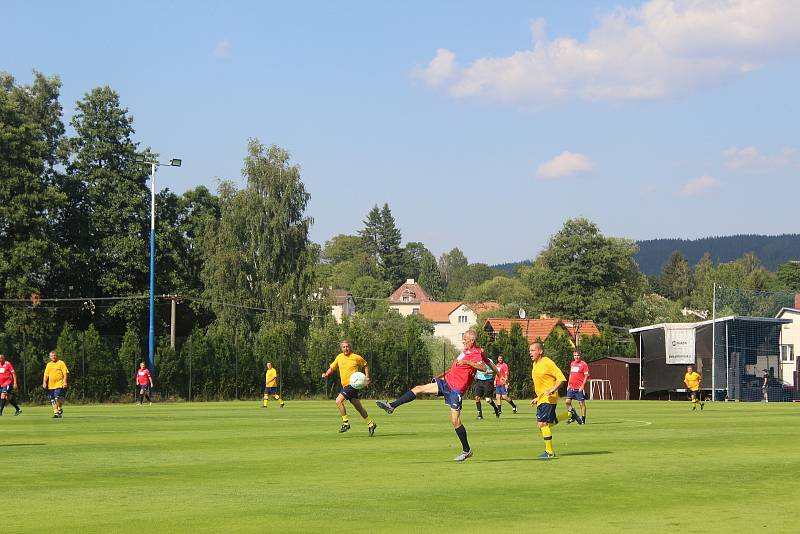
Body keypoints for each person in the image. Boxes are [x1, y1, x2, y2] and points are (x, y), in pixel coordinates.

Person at [376, 330, 492, 462]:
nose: (463, 341)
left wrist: (467, 362)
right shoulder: (465, 352)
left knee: (455, 421)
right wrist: (441, 376)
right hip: (446, 383)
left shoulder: (476, 353)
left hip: (456, 390)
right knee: (418, 388)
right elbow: (460, 368)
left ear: (472, 341)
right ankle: (391, 406)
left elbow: (483, 367)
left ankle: (467, 450)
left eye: (465, 339)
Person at [321, 341, 376, 436]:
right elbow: (332, 367)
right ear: (341, 348)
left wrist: (367, 377)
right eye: (344, 347)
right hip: (346, 386)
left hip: (353, 385)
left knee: (338, 401)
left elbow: (365, 364)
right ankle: (371, 423)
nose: (346, 348)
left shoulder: (356, 357)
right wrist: (326, 374)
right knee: (358, 407)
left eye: (347, 346)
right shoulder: (339, 357)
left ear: (350, 347)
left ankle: (346, 423)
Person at [529, 342, 567, 459]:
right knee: (544, 424)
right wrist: (537, 397)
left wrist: (552, 390)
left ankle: (549, 452)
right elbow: (542, 384)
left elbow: (561, 379)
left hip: (549, 398)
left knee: (543, 424)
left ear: (540, 351)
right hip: (542, 398)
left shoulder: (547, 362)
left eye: (533, 350)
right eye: (529, 351)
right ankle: (569, 414)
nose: (530, 353)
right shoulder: (535, 364)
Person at [42, 351, 69, 418]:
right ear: (50, 357)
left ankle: (59, 408)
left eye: (54, 355)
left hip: (59, 383)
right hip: (51, 385)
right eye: (52, 356)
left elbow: (65, 373)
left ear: (56, 356)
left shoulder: (61, 363)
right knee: (52, 400)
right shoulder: (49, 365)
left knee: (57, 397)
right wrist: (44, 382)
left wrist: (65, 382)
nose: (53, 357)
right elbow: (46, 375)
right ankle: (56, 412)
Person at [565, 350, 589, 424]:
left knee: (581, 403)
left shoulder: (584, 364)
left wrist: (582, 386)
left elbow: (586, 376)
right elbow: (571, 374)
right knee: (567, 402)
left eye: (577, 355)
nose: (576, 357)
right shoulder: (572, 363)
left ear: (580, 356)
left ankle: (583, 419)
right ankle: (573, 416)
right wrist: (568, 384)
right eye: (575, 355)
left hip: (579, 388)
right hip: (571, 387)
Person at [473, 355, 500, 419]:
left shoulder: (489, 361)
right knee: (477, 397)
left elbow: (495, 370)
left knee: (488, 400)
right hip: (480, 381)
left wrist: (487, 372)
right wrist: (475, 375)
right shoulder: (477, 361)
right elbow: (476, 369)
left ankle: (496, 408)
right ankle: (480, 415)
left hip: (488, 381)